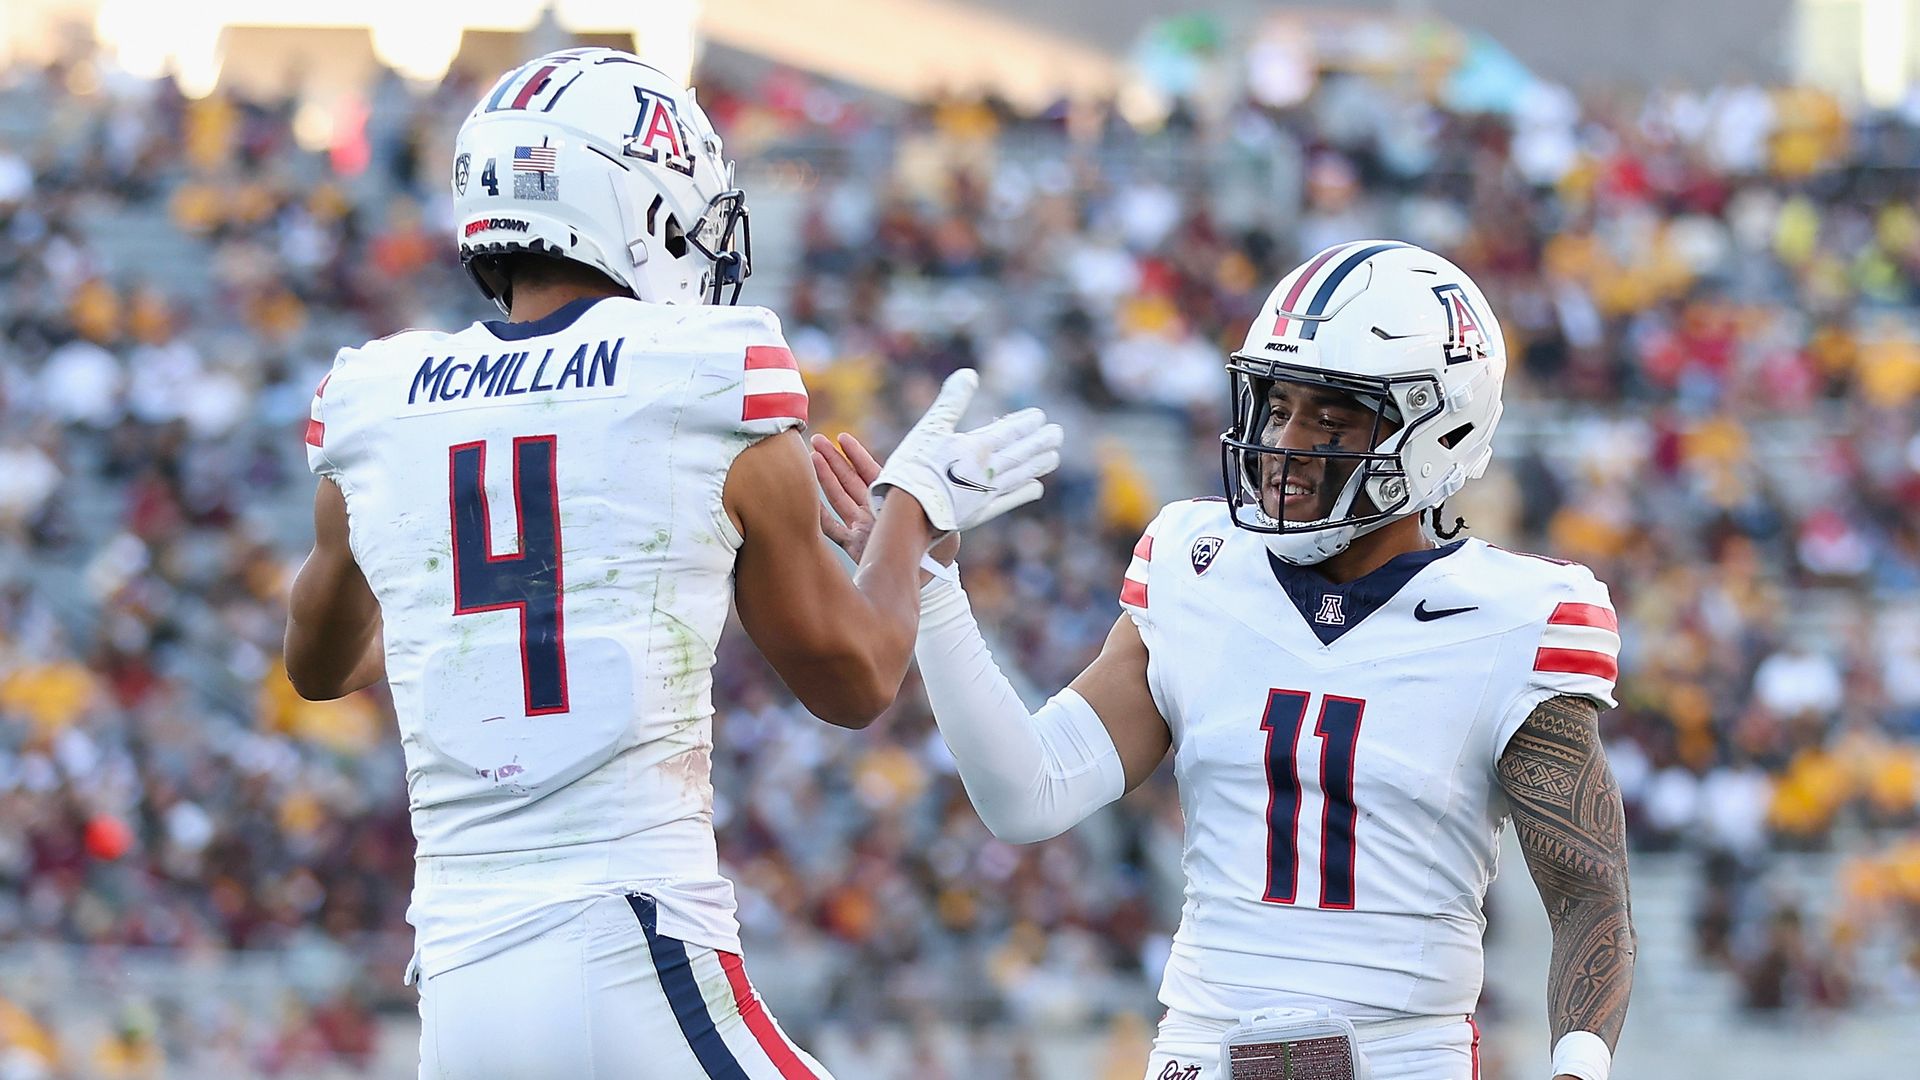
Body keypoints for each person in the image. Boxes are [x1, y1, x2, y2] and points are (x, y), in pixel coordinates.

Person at [281, 49, 1060, 1080]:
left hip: (460, 979)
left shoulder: (377, 401)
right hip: (629, 944)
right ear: (636, 204)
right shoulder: (705, 375)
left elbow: (319, 666)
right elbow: (857, 676)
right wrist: (914, 513)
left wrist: (443, 602)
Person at [815, 242, 1634, 1080]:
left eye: (1331, 416)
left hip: (1402, 1059)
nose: (1285, 442)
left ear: (1440, 429)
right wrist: (929, 580)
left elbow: (1589, 895)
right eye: (1278, 407)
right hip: (1201, 1052)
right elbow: (1028, 793)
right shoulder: (1195, 563)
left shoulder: (1515, 616)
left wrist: (1577, 1068)